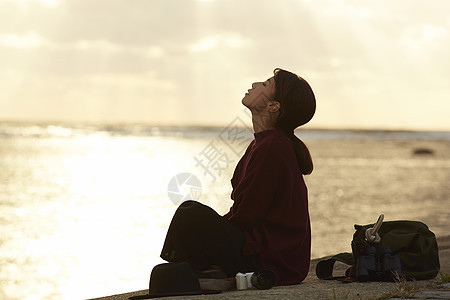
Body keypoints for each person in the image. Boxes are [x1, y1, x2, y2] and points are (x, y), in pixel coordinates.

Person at [160, 68, 316, 286]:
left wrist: (211, 234)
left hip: (269, 261)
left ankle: (191, 271)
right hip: (262, 252)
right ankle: (196, 271)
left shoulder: (273, 146)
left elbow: (246, 215)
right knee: (193, 219)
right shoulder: (263, 143)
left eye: (265, 84)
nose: (255, 84)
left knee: (190, 215)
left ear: (273, 106)